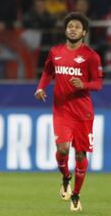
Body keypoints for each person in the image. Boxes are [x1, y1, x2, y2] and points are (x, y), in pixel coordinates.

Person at [34, 12, 103, 212]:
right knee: (63, 149)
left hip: (83, 113)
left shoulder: (91, 56)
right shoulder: (55, 52)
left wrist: (84, 84)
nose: (73, 29)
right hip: (62, 110)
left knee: (81, 155)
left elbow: (98, 83)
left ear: (84, 32)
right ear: (65, 30)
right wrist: (40, 88)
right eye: (70, 26)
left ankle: (76, 194)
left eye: (77, 27)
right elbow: (48, 72)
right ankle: (66, 177)